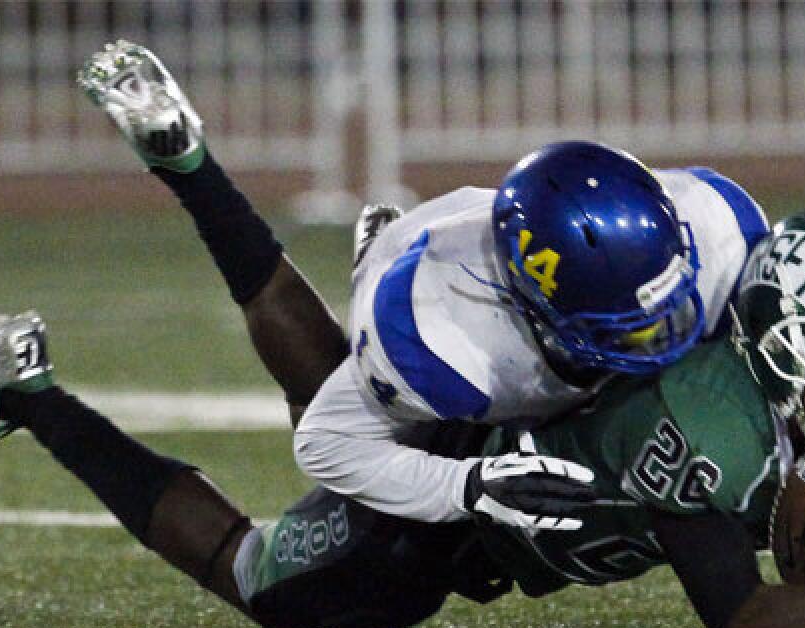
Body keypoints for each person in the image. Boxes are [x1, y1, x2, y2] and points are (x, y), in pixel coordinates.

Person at [0, 209, 805, 628]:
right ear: (775, 334)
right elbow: (753, 625)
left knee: (325, 400)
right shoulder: (706, 424)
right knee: (269, 582)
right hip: (471, 496)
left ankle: (261, 211)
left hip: (528, 467)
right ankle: (29, 393)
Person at [76, 40, 769, 530]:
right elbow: (325, 443)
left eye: (668, 305)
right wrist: (465, 487)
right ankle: (192, 168)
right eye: (635, 328)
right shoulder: (448, 340)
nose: (665, 336)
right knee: (320, 534)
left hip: (500, 242)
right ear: (537, 305)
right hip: (424, 269)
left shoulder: (717, 227)